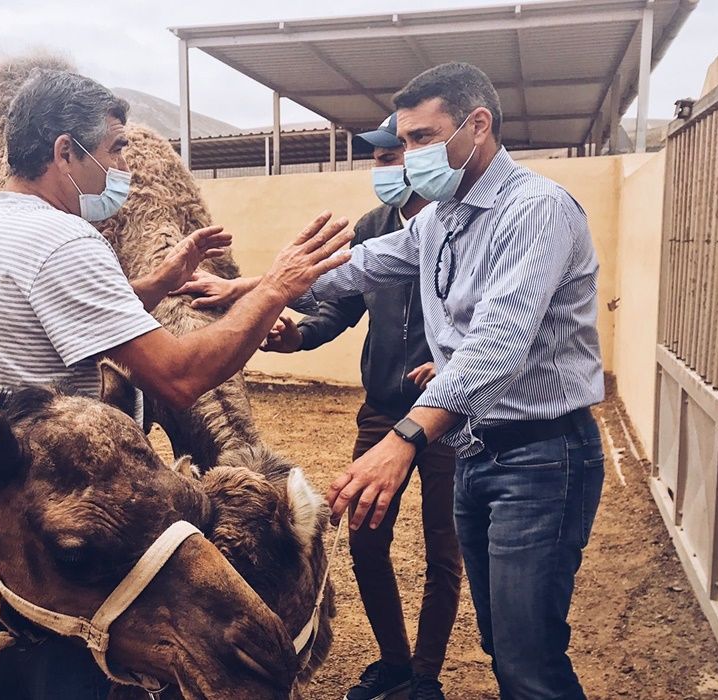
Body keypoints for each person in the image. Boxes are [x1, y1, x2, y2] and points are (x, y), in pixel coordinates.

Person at [0, 68, 352, 700]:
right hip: (78, 538)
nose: (120, 170)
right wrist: (276, 288)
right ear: (64, 153)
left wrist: (160, 284)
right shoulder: (63, 240)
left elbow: (63, 311)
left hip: (17, 529)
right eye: (112, 151)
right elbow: (180, 377)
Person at [305, 63, 605, 700]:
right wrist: (254, 289)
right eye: (405, 141)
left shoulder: (534, 209)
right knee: (504, 645)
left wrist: (404, 437)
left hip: (542, 456)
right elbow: (362, 266)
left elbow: (496, 344)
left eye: (422, 138)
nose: (410, 156)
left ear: (477, 126)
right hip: (479, 451)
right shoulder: (444, 218)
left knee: (529, 661)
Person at [174, 113, 461, 700]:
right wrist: (297, 335)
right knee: (363, 537)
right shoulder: (375, 227)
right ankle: (394, 662)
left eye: (398, 153)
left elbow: (486, 320)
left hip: (447, 412)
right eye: (381, 158)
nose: (387, 166)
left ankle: (426, 678)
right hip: (382, 411)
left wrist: (453, 367)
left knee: (442, 548)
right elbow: (340, 306)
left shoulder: (457, 228)